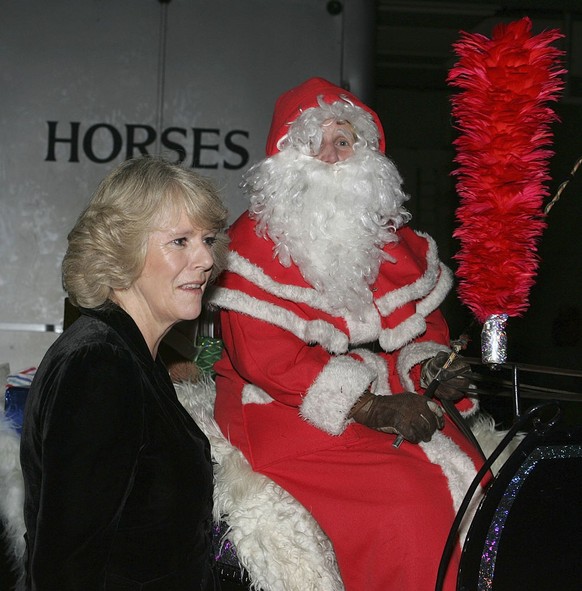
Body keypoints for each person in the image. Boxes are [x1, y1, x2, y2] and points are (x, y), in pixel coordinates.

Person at [210, 78, 486, 590]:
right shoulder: (250, 244)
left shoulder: (393, 241)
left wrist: (431, 369)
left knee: (478, 484)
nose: (332, 156)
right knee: (409, 503)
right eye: (315, 143)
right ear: (285, 157)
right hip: (284, 411)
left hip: (392, 395)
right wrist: (370, 408)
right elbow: (265, 359)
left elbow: (423, 329)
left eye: (344, 142)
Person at [20, 156, 229, 591]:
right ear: (121, 248)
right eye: (180, 241)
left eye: (207, 239)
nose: (207, 258)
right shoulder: (100, 366)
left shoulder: (135, 356)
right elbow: (65, 571)